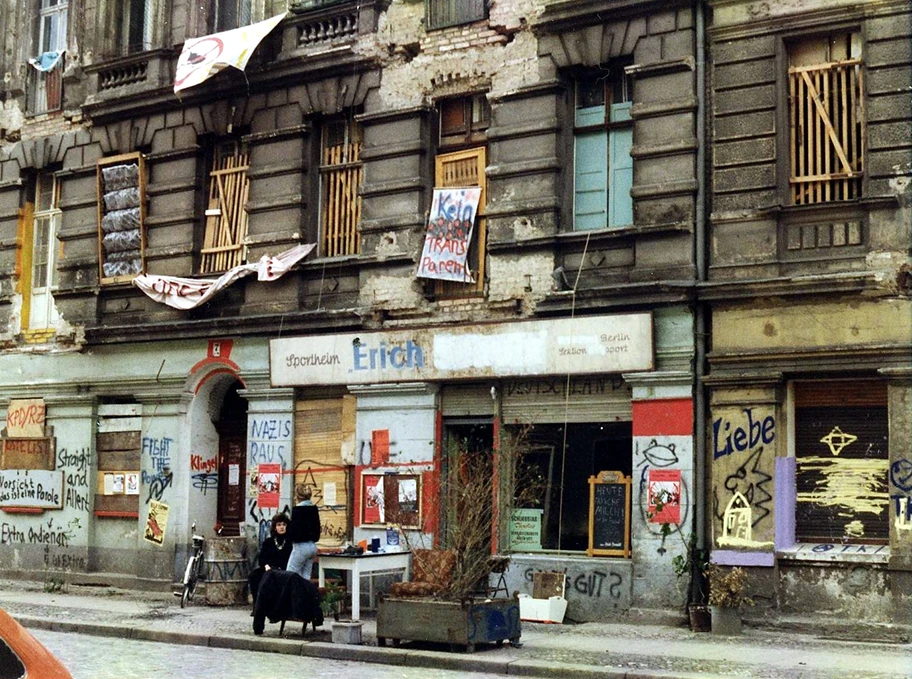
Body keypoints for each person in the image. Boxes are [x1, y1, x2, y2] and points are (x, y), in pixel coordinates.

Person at [248, 512, 292, 611]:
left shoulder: (289, 542)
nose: (281, 527)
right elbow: (262, 558)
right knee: (254, 576)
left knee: (272, 579)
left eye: (284, 525)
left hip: (282, 570)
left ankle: (274, 608)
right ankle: (257, 605)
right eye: (279, 525)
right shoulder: (269, 542)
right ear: (275, 527)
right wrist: (266, 566)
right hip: (268, 568)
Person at [287, 485, 321, 580]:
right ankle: (305, 594)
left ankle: (290, 595)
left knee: (290, 575)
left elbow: (294, 532)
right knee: (306, 577)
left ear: (297, 496)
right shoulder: (314, 509)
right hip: (312, 546)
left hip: (300, 546)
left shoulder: (297, 510)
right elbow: (317, 529)